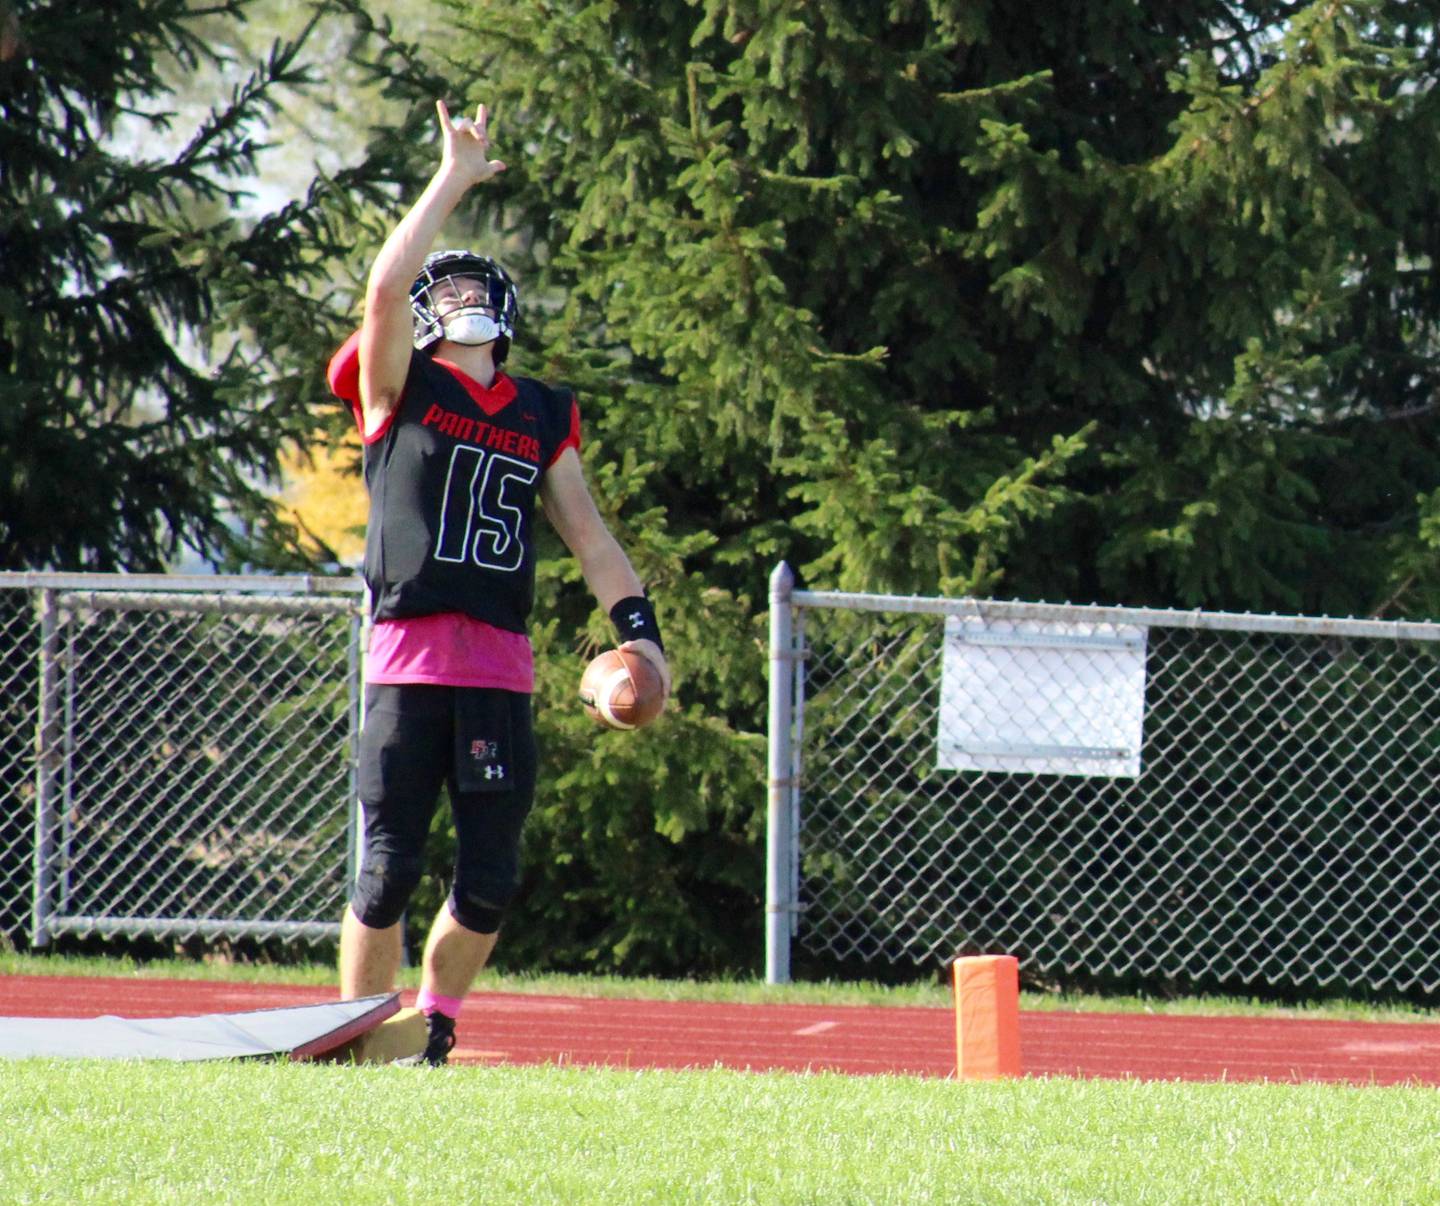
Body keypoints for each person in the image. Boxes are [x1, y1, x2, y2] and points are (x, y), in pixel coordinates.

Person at [326, 98, 670, 1065]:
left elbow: (589, 533)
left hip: (499, 667)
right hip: (408, 659)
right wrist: (453, 179)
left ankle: (433, 1029)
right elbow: (386, 291)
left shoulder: (540, 412)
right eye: (449, 286)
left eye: (479, 284)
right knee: (387, 870)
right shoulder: (399, 388)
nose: (460, 294)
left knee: (489, 878)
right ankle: (356, 1039)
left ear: (508, 315)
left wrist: (638, 632)